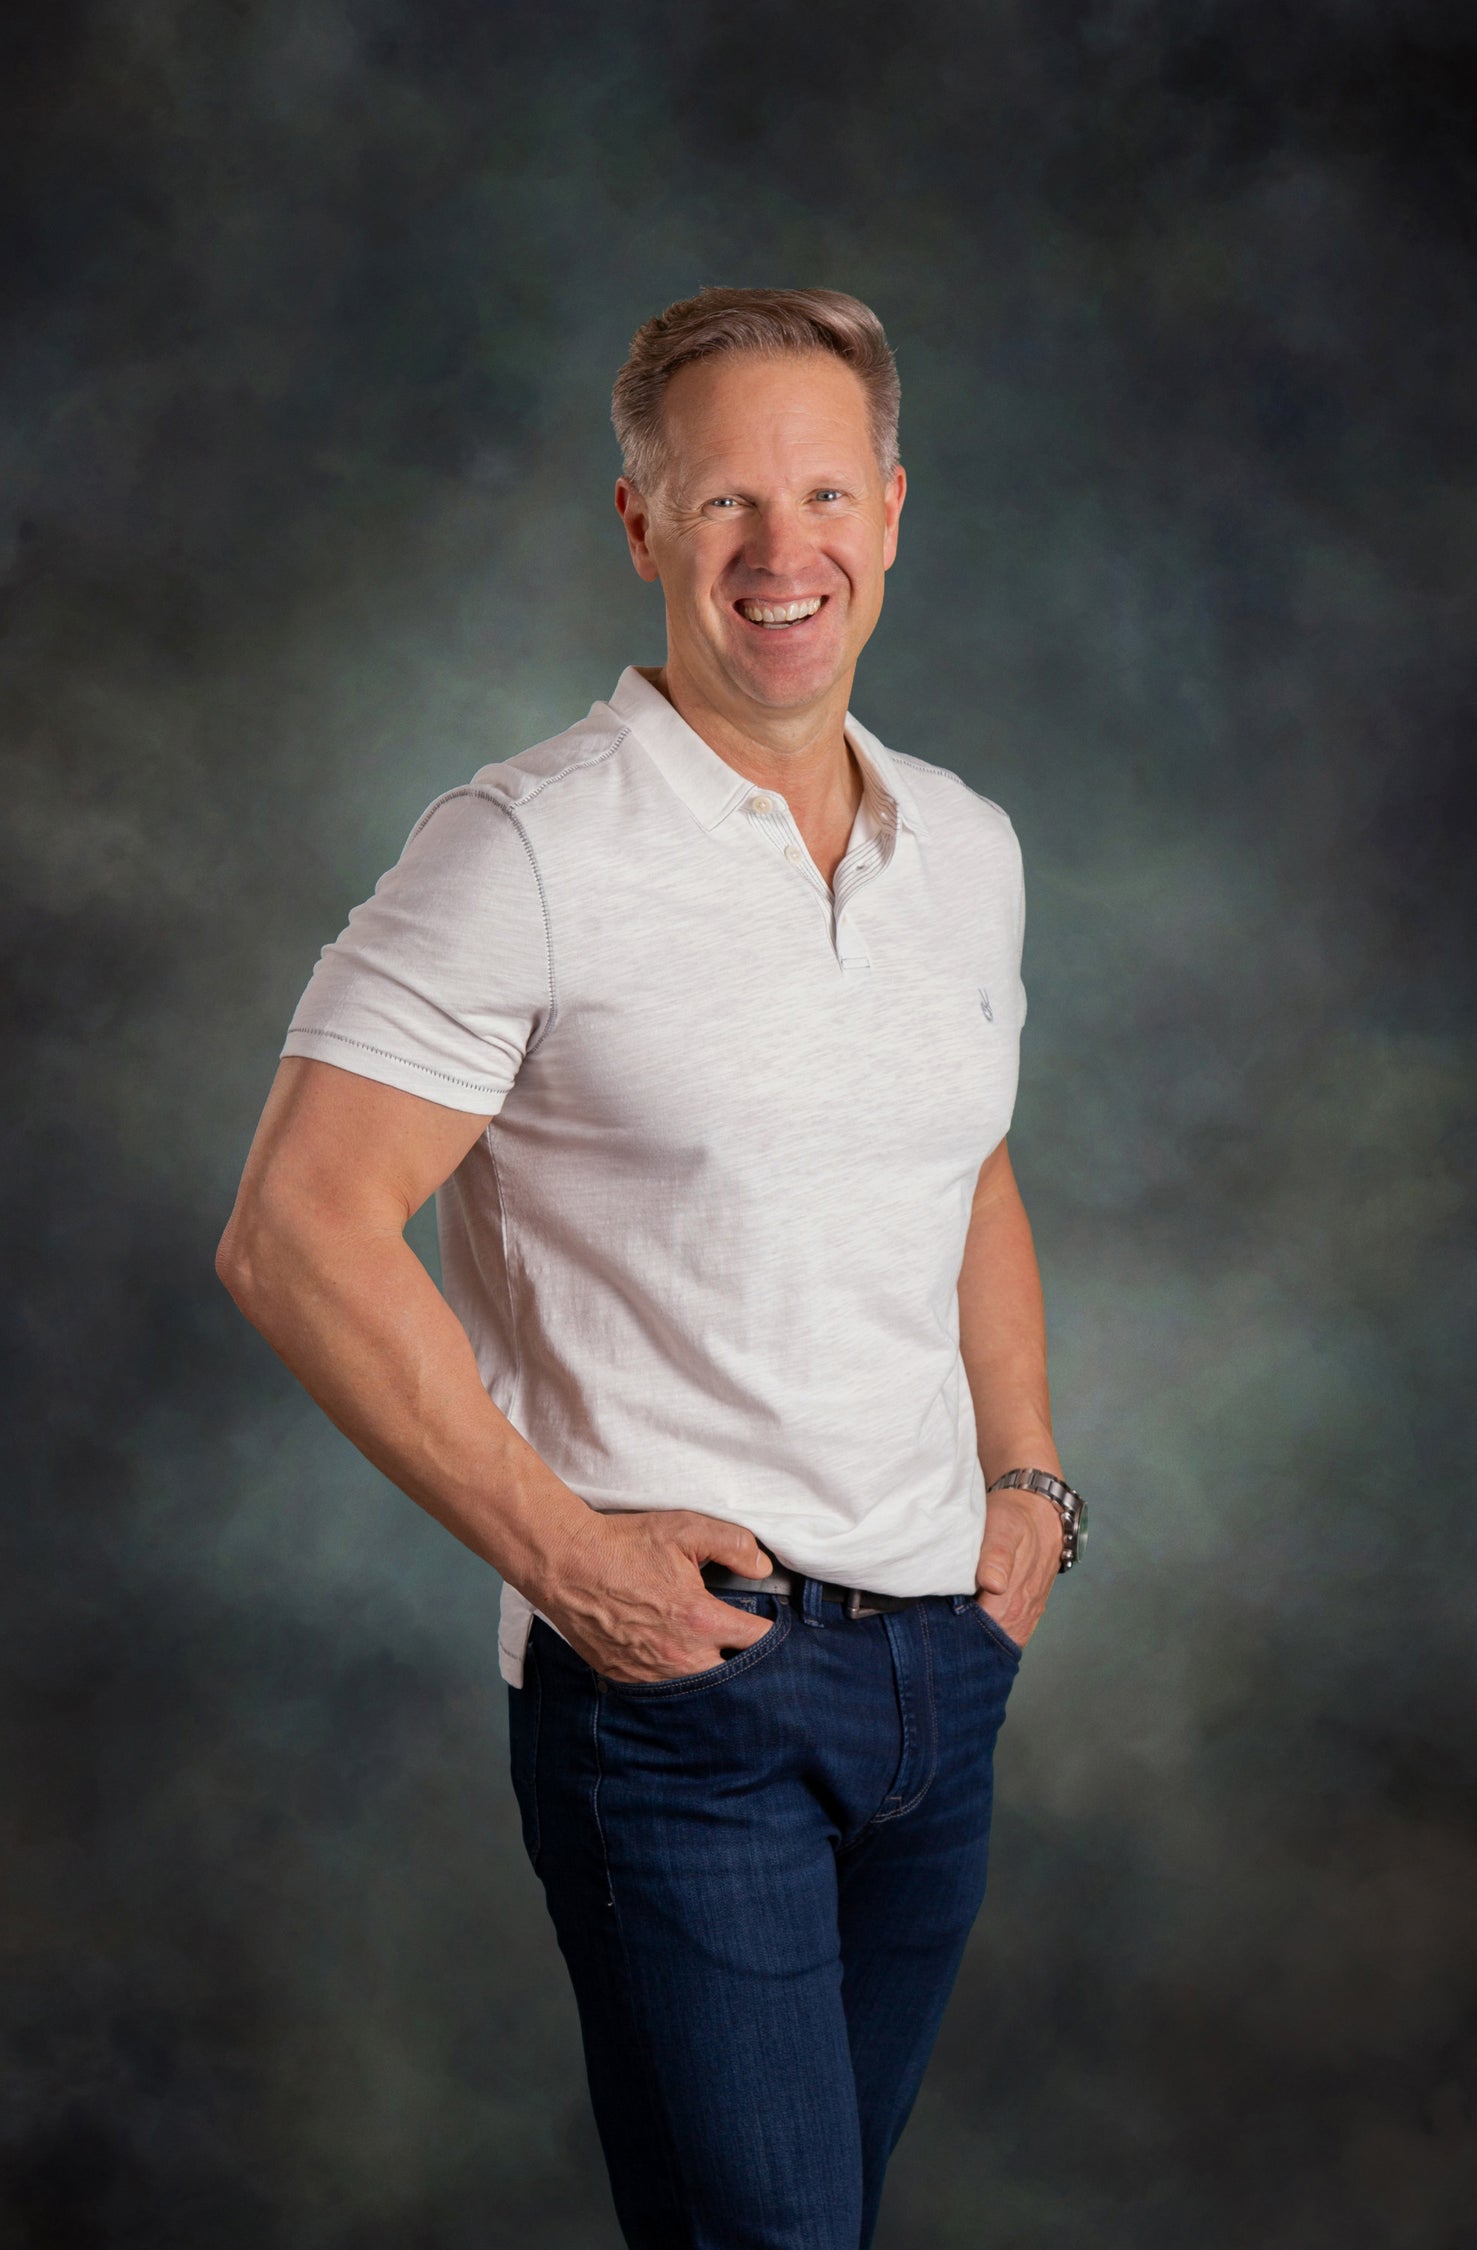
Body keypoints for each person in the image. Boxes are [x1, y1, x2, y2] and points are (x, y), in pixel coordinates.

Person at [217, 285, 1087, 2250]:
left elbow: (967, 1161)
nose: (784, 556)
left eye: (821, 494)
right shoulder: (525, 847)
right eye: (721, 507)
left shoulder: (969, 843)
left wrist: (1028, 1474)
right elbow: (295, 1229)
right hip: (689, 1698)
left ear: (891, 507)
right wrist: (562, 1554)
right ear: (640, 528)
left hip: (944, 1676)